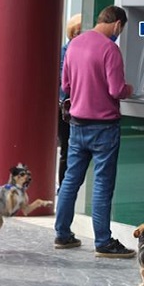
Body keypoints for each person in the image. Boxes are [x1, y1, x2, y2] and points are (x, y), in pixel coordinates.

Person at [54, 5, 135, 259]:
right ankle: (103, 241)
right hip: (104, 127)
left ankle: (63, 234)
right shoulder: (111, 49)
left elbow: (65, 85)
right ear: (118, 24)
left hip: (77, 124)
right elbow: (116, 89)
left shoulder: (74, 45)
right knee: (102, 184)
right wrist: (130, 89)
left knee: (70, 180)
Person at [58, 13, 82, 190]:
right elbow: (65, 84)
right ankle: (64, 185)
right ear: (74, 33)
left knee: (71, 150)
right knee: (67, 149)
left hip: (75, 106)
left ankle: (66, 186)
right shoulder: (64, 53)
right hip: (65, 108)